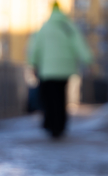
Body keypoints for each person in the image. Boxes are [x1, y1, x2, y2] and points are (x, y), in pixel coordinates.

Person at [28, 2, 92, 138]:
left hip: (48, 70)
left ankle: (51, 125)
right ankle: (60, 125)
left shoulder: (45, 27)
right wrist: (88, 60)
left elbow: (35, 47)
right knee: (61, 98)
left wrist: (32, 63)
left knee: (49, 98)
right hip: (65, 69)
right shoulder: (68, 26)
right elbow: (79, 44)